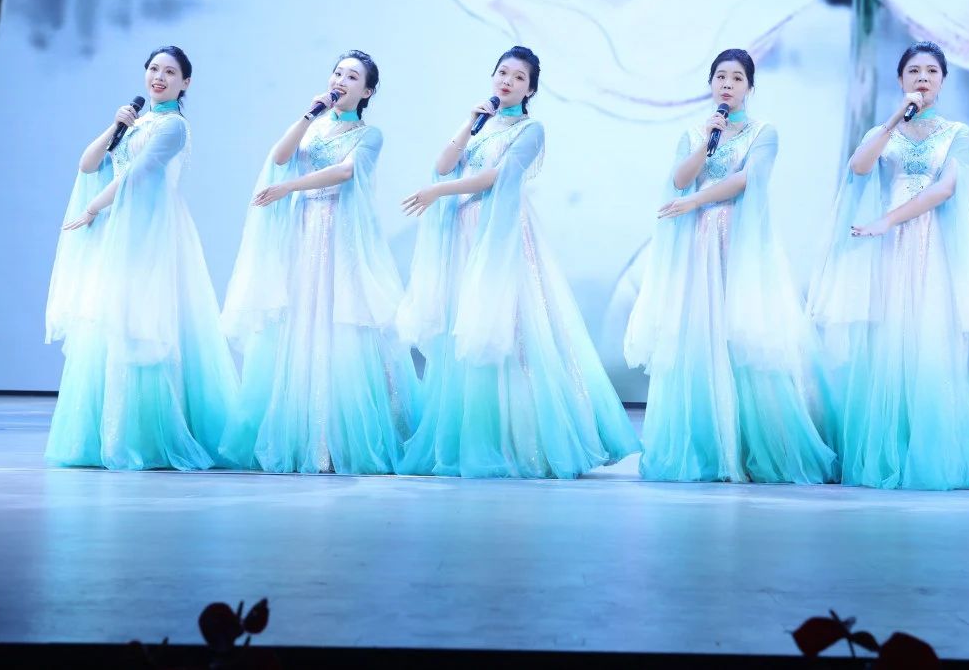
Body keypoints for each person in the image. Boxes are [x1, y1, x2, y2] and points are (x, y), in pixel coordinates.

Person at [807, 41, 969, 490]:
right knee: (892, 342)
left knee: (937, 339)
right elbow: (859, 167)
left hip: (936, 248)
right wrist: (893, 120)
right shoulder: (884, 131)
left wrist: (888, 219)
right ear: (900, 79)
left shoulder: (956, 133)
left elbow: (945, 189)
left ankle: (951, 451)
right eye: (914, 70)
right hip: (889, 251)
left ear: (943, 80)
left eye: (932, 71)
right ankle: (894, 448)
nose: (923, 78)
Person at [397, 46, 640, 478]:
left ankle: (524, 442)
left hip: (503, 238)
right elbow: (443, 165)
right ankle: (473, 436)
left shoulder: (531, 130)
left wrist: (438, 192)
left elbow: (497, 177)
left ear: (530, 89)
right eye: (502, 73)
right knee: (465, 329)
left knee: (509, 329)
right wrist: (468, 125)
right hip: (463, 234)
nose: (507, 81)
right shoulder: (480, 124)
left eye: (518, 77)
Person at [625, 49, 837, 483]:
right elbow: (679, 180)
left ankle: (751, 444)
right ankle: (706, 445)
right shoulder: (695, 133)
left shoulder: (764, 132)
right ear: (710, 83)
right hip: (698, 246)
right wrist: (706, 142)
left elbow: (747, 180)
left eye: (737, 78)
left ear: (750, 87)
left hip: (740, 243)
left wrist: (697, 201)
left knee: (741, 334)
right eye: (721, 76)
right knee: (700, 334)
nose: (727, 84)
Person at [220, 50, 418, 474]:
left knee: (340, 323)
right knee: (301, 323)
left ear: (368, 91)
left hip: (340, 236)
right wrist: (308, 115)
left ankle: (337, 441)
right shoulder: (312, 127)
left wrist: (290, 187)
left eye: (353, 77)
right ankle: (302, 437)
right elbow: (279, 158)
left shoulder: (370, 135)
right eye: (338, 73)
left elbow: (345, 173)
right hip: (303, 235)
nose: (341, 81)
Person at [45, 45, 237, 470]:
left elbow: (138, 173)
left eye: (170, 72)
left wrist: (92, 209)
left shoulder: (174, 126)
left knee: (143, 323)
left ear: (185, 83)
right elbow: (88, 164)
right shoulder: (136, 122)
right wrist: (115, 125)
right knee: (110, 321)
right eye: (153, 69)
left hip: (149, 232)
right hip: (117, 227)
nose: (159, 77)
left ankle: (146, 437)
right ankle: (102, 435)